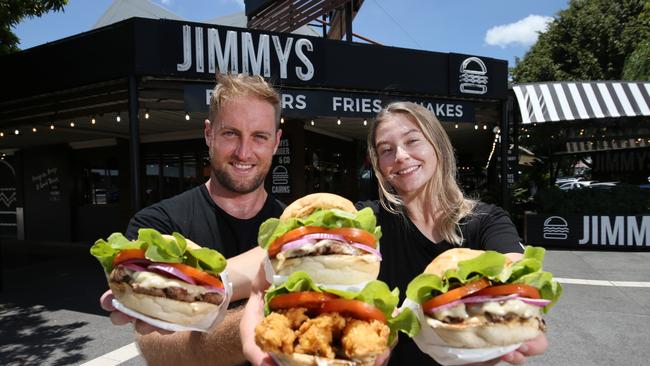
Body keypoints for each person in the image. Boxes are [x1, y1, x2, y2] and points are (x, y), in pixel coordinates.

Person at [240, 101, 547, 366]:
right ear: (379, 166)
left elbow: (517, 279)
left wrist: (522, 322)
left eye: (413, 141)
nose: (400, 156)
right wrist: (253, 346)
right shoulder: (364, 223)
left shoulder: (488, 222)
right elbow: (262, 277)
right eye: (386, 150)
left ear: (437, 146)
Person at [100, 73, 284, 365]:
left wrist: (208, 288)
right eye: (230, 133)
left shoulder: (295, 226)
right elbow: (158, 349)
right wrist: (263, 325)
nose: (244, 152)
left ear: (276, 142)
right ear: (209, 134)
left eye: (259, 136)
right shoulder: (158, 224)